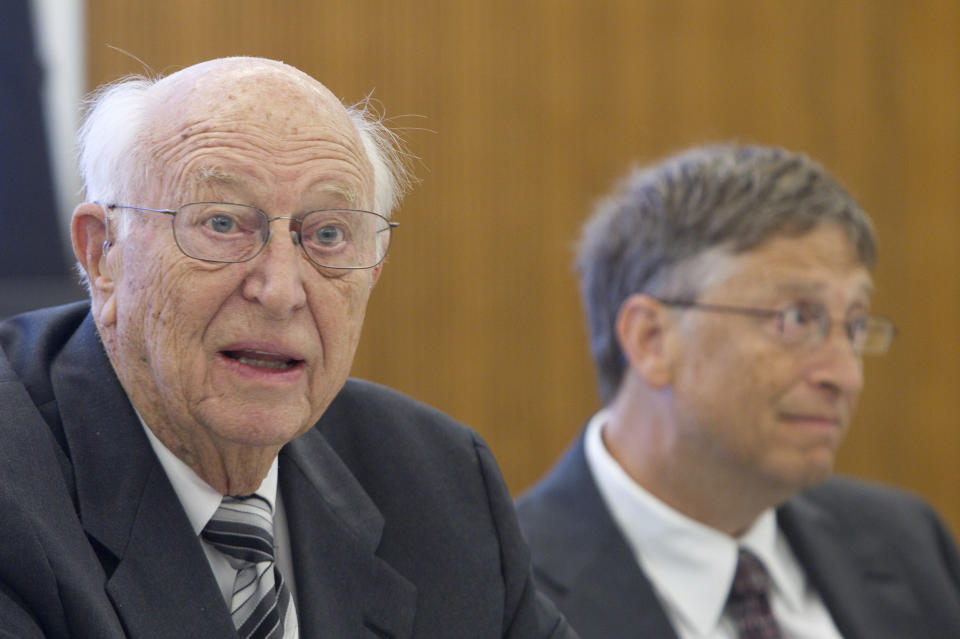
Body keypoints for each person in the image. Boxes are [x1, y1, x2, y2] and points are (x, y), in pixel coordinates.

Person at [0, 56, 577, 639]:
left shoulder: (441, 483)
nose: (280, 291)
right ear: (103, 253)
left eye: (328, 234)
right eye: (222, 224)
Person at [516, 144, 960, 638]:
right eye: (795, 319)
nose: (845, 375)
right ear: (652, 341)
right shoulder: (504, 586)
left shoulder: (907, 543)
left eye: (854, 325)